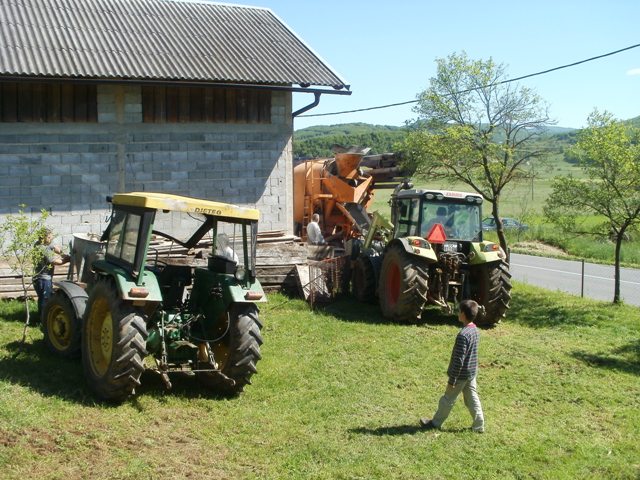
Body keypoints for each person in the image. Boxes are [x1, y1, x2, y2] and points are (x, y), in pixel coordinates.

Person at [420, 299, 485, 433]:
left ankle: (435, 423)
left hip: (460, 375)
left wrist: (452, 380)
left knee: (447, 399)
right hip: (471, 373)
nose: (457, 312)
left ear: (463, 314)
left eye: (459, 310)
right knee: (472, 399)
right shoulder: (475, 330)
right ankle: (479, 425)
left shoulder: (463, 335)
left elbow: (458, 361)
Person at [33, 229, 69, 322]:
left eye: (51, 236)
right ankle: (43, 320)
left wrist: (63, 253)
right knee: (45, 300)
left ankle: (41, 318)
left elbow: (54, 247)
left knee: (43, 299)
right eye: (49, 237)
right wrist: (67, 259)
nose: (51, 238)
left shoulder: (40, 243)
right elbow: (53, 261)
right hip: (43, 279)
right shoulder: (42, 248)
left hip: (40, 277)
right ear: (44, 238)